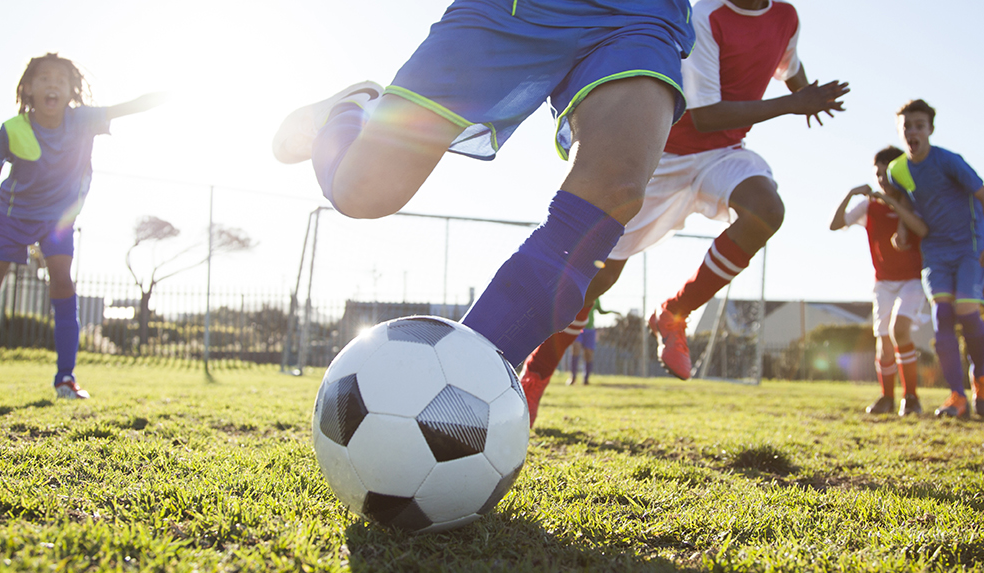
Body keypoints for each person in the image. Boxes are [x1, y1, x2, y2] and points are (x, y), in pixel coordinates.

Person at [273, 0, 697, 380]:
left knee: (613, 193)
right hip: (511, 9)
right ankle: (351, 109)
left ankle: (453, 387)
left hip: (641, 14)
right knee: (364, 191)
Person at [517, 0, 848, 424]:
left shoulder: (786, 17)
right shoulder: (706, 15)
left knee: (766, 209)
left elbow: (789, 67)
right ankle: (536, 375)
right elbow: (708, 116)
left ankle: (674, 313)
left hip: (723, 154)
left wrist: (807, 95)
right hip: (665, 154)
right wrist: (794, 104)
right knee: (599, 275)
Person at [0, 53, 166, 401]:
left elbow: (128, 106)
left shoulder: (83, 120)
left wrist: (171, 94)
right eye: (43, 78)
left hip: (57, 218)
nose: (52, 83)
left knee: (62, 280)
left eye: (60, 79)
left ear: (71, 90)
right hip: (11, 216)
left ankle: (66, 379)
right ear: (28, 89)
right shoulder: (12, 129)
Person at [885, 99, 984, 418]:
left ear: (930, 130)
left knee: (966, 309)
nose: (912, 131)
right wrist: (902, 229)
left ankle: (981, 376)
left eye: (919, 126)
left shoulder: (949, 161)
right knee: (943, 317)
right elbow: (907, 201)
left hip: (969, 245)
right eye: (907, 126)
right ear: (900, 130)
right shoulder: (898, 170)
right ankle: (957, 396)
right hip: (935, 250)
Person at [830, 146, 931, 416]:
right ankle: (887, 397)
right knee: (884, 340)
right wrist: (851, 194)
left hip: (911, 280)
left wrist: (899, 213)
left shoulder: (913, 202)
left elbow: (921, 229)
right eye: (878, 175)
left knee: (900, 330)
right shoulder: (869, 206)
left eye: (888, 174)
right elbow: (835, 224)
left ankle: (911, 398)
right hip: (883, 283)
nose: (883, 180)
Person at [565, 299, 617, 386]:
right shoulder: (580, 293)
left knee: (588, 353)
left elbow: (601, 311)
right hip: (578, 327)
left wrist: (612, 312)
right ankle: (573, 377)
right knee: (575, 349)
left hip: (590, 330)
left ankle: (586, 379)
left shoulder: (596, 297)